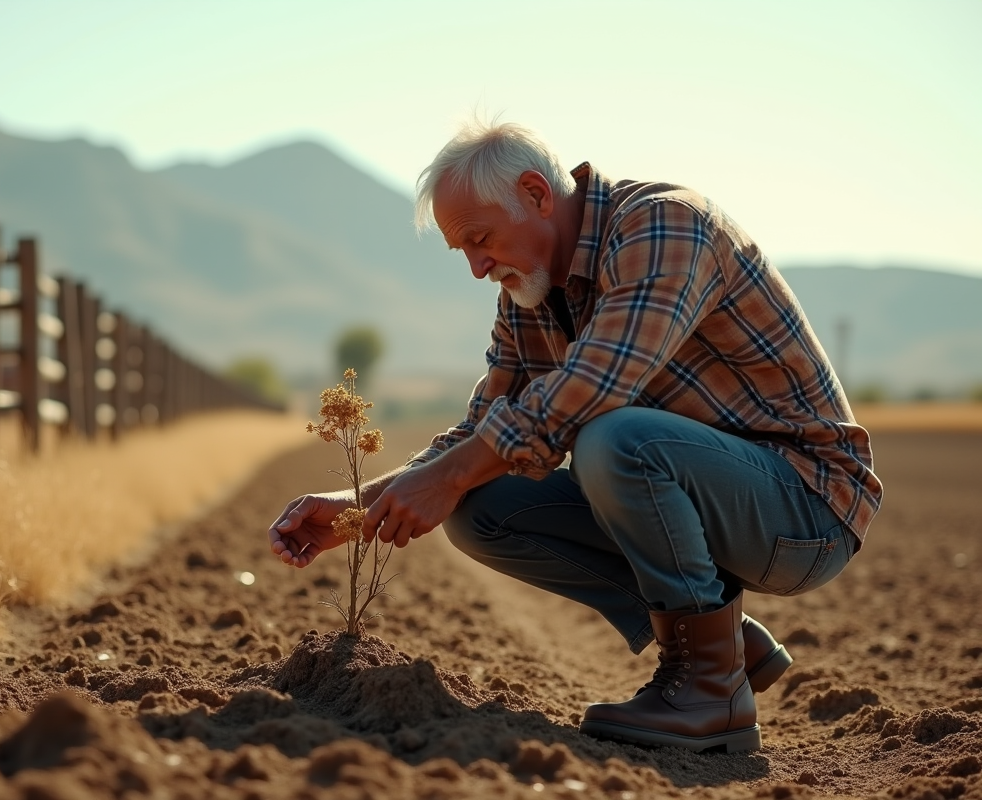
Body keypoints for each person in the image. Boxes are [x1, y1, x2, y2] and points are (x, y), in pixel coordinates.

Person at [267, 120, 882, 753]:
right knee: (479, 507)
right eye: (464, 252)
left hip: (805, 509)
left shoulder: (664, 226)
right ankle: (723, 645)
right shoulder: (526, 294)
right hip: (715, 497)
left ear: (537, 194)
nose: (478, 268)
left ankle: (712, 693)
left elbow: (592, 387)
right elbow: (484, 429)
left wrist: (448, 476)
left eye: (481, 239)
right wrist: (359, 506)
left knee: (614, 439)